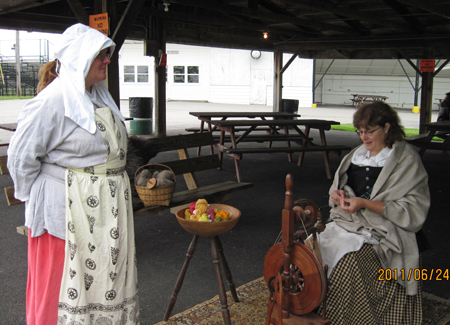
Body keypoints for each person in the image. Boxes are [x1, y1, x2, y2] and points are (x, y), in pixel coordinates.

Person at [8, 24, 140, 324]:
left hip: (102, 215)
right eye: (100, 55)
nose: (107, 60)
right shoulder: (52, 101)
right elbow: (20, 157)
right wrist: (43, 200)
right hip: (64, 215)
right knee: (60, 288)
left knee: (100, 283)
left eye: (108, 54)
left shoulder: (99, 96)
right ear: (80, 57)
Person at [317, 101, 430, 324]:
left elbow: (413, 209)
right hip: (349, 222)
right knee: (312, 249)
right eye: (360, 132)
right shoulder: (355, 155)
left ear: (387, 127)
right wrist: (337, 196)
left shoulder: (406, 160)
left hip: (386, 228)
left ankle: (353, 319)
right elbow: (336, 188)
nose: (363, 138)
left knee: (347, 264)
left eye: (369, 131)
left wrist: (366, 204)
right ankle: (316, 306)